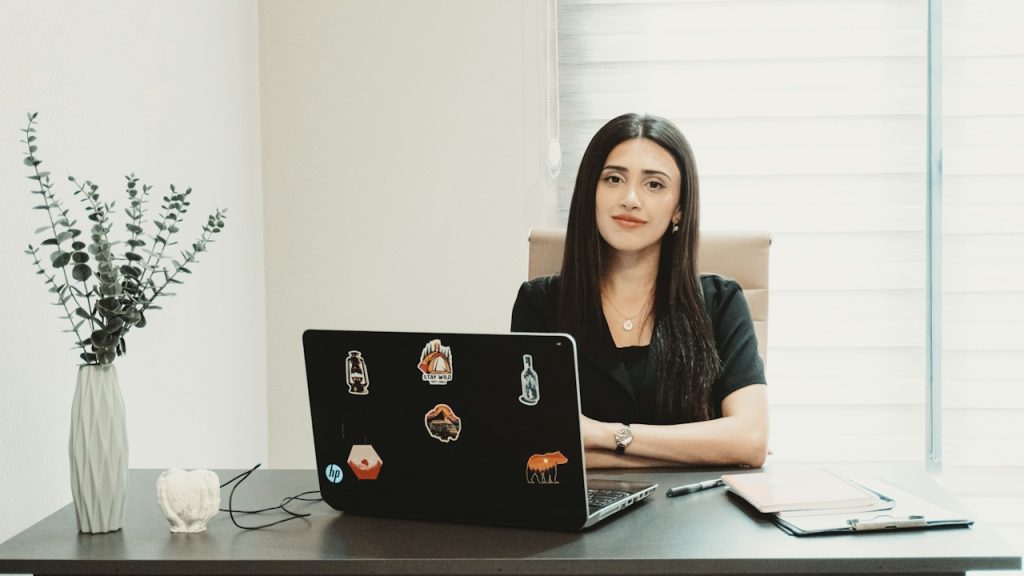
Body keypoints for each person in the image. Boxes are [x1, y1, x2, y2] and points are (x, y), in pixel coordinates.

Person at [511, 113, 768, 469]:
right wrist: (695, 450)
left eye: (654, 185)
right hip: (578, 513)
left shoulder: (721, 303)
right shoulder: (539, 304)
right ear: (590, 193)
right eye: (614, 179)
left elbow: (750, 441)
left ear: (679, 209)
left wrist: (605, 436)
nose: (630, 199)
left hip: (694, 513)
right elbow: (533, 442)